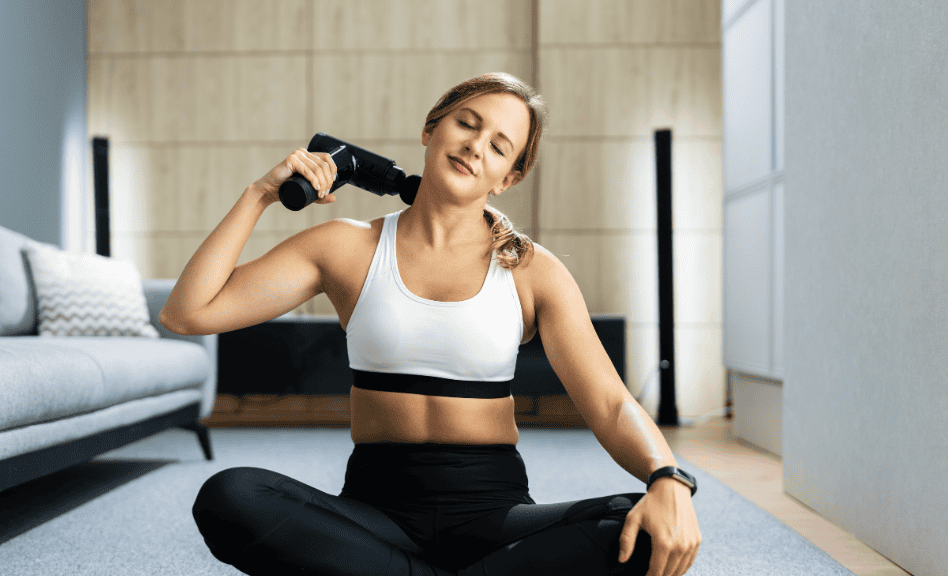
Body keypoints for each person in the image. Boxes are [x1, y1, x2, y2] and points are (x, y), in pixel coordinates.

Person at [160, 72, 701, 576]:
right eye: (467, 123)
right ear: (431, 128)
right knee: (230, 497)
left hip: (495, 516)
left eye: (498, 144)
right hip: (375, 514)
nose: (474, 145)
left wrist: (666, 476)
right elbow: (187, 313)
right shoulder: (346, 248)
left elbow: (609, 404)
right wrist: (259, 194)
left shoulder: (533, 270)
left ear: (508, 177)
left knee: (647, 526)